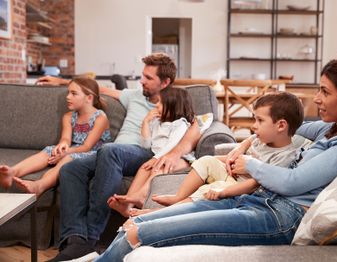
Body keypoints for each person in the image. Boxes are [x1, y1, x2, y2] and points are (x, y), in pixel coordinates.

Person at [94, 52, 337, 262]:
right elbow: (288, 125)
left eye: (325, 93)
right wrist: (247, 141)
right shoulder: (330, 127)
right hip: (259, 201)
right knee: (131, 225)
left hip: (281, 217)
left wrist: (250, 164)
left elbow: (293, 181)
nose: (316, 99)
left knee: (139, 233)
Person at [40, 53, 202, 262]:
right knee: (71, 169)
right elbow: (99, 89)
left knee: (109, 150)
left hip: (142, 151)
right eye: (142, 75)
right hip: (114, 151)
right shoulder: (135, 95)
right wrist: (61, 81)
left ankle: (90, 239)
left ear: (165, 82)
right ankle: (74, 241)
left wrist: (174, 153)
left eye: (148, 78)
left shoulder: (172, 103)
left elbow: (196, 124)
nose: (141, 81)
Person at [135, 92, 303, 217]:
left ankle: (157, 213)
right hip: (232, 173)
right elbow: (249, 141)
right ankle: (178, 196)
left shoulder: (283, 157)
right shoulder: (262, 138)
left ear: (281, 126)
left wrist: (223, 193)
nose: (254, 126)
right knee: (205, 160)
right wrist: (236, 150)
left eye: (260, 120)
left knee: (212, 189)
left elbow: (252, 185)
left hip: (241, 189)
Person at [0, 78, 111, 196]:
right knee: (49, 150)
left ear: (89, 98)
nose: (68, 97)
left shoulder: (100, 118)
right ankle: (12, 172)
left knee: (68, 158)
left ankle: (39, 185)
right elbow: (66, 139)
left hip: (94, 153)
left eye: (73, 93)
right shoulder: (68, 116)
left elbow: (87, 146)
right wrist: (62, 146)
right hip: (75, 149)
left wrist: (65, 154)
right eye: (68, 92)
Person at [107, 87, 196, 217]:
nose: (156, 105)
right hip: (159, 158)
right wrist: (146, 122)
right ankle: (128, 205)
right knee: (144, 168)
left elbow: (173, 144)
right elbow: (146, 144)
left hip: (182, 160)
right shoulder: (157, 123)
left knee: (158, 167)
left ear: (172, 106)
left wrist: (156, 159)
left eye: (160, 102)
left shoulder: (180, 124)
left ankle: (141, 195)